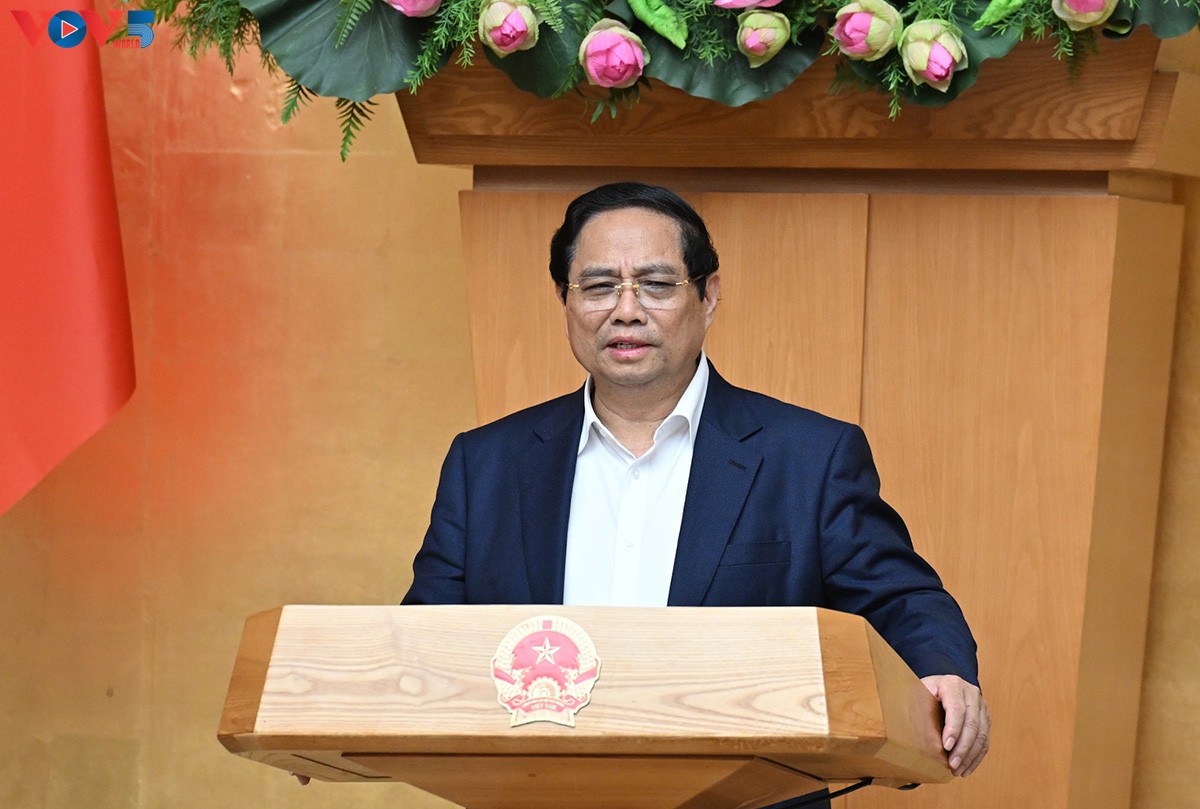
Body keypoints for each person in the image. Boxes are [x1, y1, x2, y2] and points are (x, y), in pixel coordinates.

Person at [402, 182, 991, 794]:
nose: (625, 311)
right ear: (564, 300)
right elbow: (422, 647)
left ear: (708, 295)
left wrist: (942, 670)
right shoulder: (485, 464)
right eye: (599, 286)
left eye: (656, 285)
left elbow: (901, 599)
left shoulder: (809, 457)